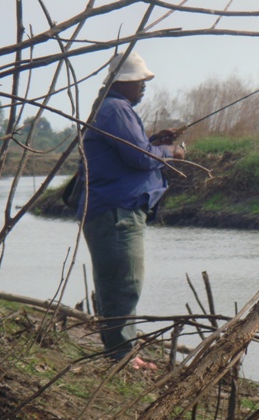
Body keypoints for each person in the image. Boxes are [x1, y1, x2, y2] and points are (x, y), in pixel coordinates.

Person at [77, 51, 184, 369]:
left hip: (114, 211)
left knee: (118, 280)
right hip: (117, 212)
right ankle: (123, 356)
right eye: (138, 81)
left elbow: (134, 151)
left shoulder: (111, 109)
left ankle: (121, 350)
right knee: (124, 281)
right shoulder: (116, 109)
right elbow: (140, 158)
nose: (143, 87)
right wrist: (170, 151)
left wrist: (153, 143)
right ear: (122, 83)